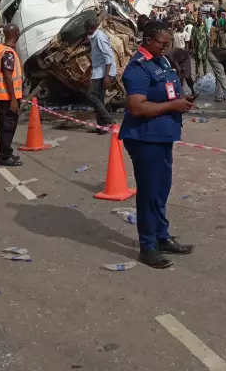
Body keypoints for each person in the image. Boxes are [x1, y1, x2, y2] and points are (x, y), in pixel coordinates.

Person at [120, 21, 195, 269]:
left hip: (162, 136)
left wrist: (181, 100)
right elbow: (137, 106)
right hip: (145, 138)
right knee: (150, 192)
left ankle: (162, 237)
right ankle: (148, 246)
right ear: (148, 39)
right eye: (162, 43)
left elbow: (167, 90)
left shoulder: (160, 61)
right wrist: (171, 107)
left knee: (162, 190)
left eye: (167, 43)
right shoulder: (138, 68)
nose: (165, 47)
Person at [0, 24, 25, 166]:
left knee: (4, 125)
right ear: (16, 34)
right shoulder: (8, 53)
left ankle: (6, 151)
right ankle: (4, 156)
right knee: (8, 127)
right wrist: (13, 100)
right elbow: (8, 76)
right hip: (7, 97)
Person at [84, 18, 117, 132]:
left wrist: (107, 76)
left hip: (103, 72)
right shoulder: (95, 37)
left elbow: (108, 57)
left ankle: (109, 119)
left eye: (86, 29)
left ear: (89, 29)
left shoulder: (99, 37)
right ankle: (101, 127)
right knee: (99, 98)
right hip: (99, 71)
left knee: (91, 95)